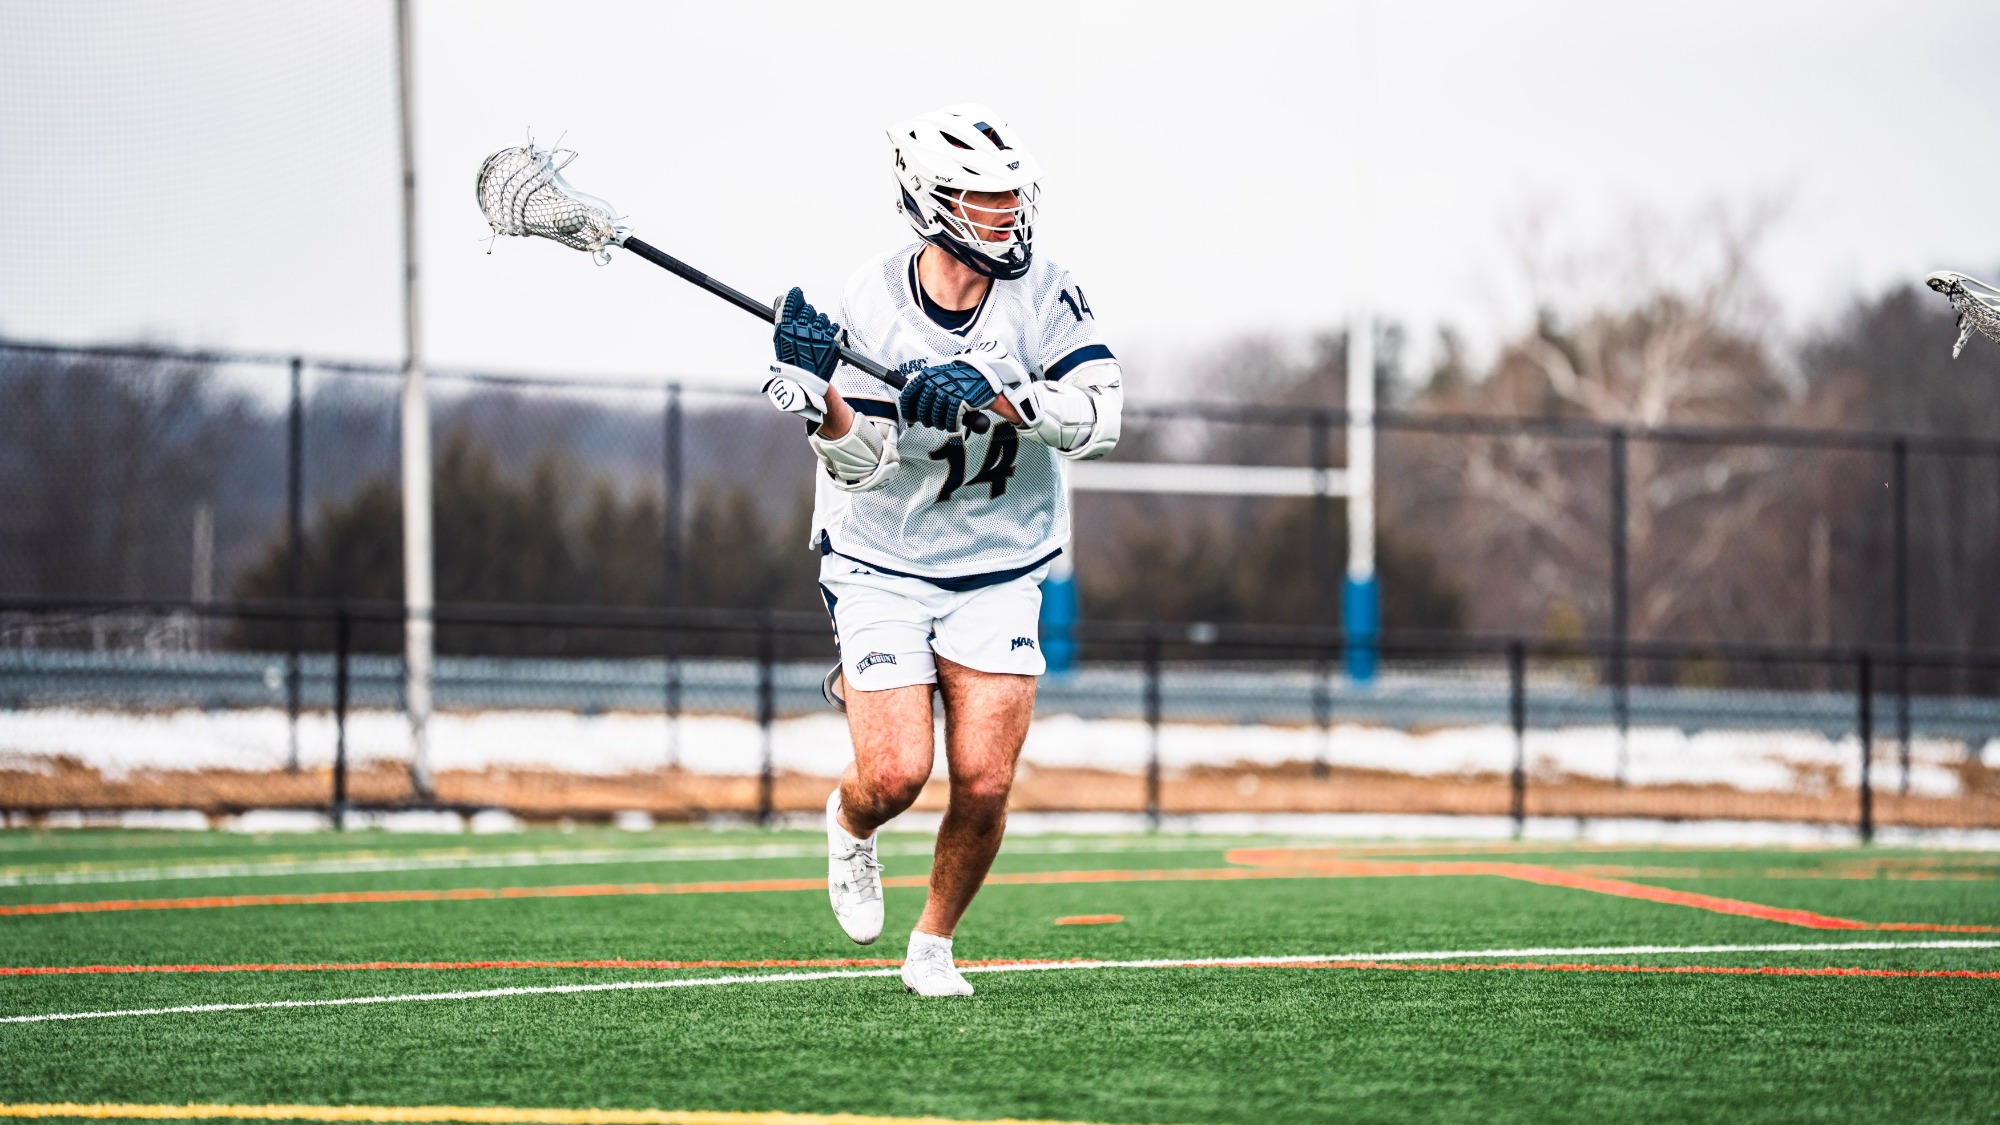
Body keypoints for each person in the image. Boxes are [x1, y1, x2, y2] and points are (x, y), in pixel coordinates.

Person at [758, 103, 1123, 997]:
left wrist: (1003, 398)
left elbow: (1102, 417)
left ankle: (932, 944)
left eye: (1012, 198)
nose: (1008, 215)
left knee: (986, 781)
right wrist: (820, 401)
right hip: (883, 555)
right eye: (986, 200)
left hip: (1000, 557)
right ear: (932, 202)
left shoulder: (1047, 292)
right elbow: (862, 463)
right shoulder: (871, 303)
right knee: (894, 773)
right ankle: (850, 825)